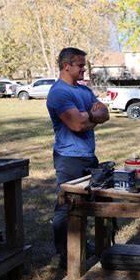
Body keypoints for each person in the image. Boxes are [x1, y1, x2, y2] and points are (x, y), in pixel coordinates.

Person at [46, 47, 109, 268]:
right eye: (80, 65)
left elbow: (106, 114)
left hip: (88, 156)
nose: (84, 69)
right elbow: (77, 124)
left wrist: (89, 116)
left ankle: (80, 244)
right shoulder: (59, 93)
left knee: (85, 205)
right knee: (67, 206)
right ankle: (65, 254)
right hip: (68, 158)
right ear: (67, 66)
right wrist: (92, 117)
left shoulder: (84, 91)